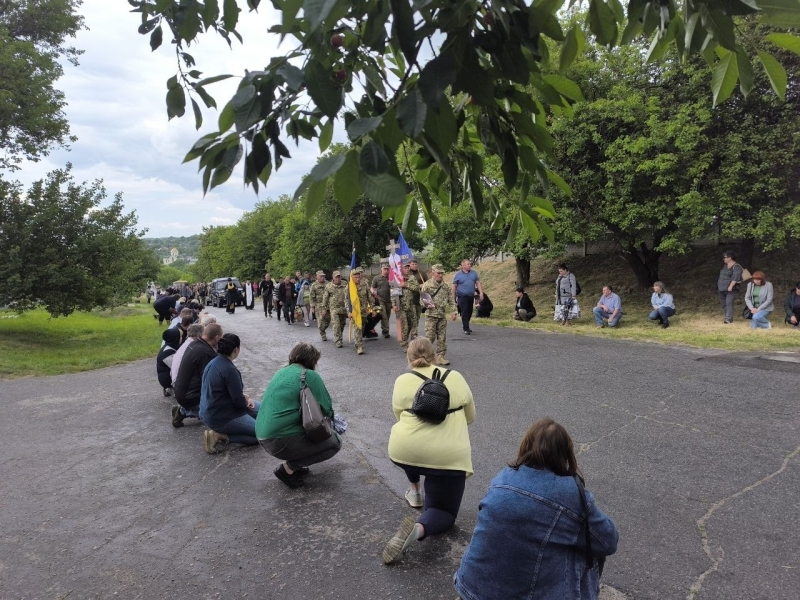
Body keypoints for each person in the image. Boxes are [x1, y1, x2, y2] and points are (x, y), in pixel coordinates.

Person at [453, 418, 618, 600]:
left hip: (471, 587)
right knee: (585, 545)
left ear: (526, 445)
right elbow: (608, 541)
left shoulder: (503, 477)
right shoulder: (571, 493)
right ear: (565, 453)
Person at [382, 338, 476, 565]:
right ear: (435, 356)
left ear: (408, 358)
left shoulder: (402, 380)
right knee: (443, 512)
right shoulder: (456, 377)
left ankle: (415, 490)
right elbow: (470, 417)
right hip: (448, 457)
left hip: (405, 450)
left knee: (414, 450)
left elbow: (398, 415)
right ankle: (417, 529)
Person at [255, 343, 342, 489]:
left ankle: (296, 464)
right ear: (312, 360)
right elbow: (327, 408)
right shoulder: (309, 375)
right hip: (279, 440)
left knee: (301, 428)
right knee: (335, 443)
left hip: (262, 436)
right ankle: (288, 469)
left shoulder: (280, 372)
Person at [199, 334, 261, 454]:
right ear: (236, 349)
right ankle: (220, 436)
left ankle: (242, 427)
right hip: (222, 416)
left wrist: (243, 397)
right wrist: (245, 401)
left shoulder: (213, 362)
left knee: (261, 409)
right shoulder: (230, 370)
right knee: (262, 434)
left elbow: (222, 390)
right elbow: (239, 403)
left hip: (210, 410)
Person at [172, 323, 222, 428]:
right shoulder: (206, 352)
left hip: (181, 391)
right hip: (190, 396)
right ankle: (184, 411)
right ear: (216, 337)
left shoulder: (195, 344)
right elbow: (210, 380)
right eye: (220, 338)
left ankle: (184, 410)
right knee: (220, 410)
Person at [420, 264, 457, 366]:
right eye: (438, 273)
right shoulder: (427, 285)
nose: (440, 275)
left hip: (441, 315)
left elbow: (451, 300)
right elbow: (421, 300)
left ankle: (440, 356)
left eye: (442, 273)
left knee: (442, 337)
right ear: (433, 273)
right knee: (430, 337)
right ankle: (425, 356)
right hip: (431, 315)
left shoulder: (445, 286)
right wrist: (427, 303)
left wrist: (454, 312)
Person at [452, 259, 483, 335]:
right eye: (468, 264)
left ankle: (466, 324)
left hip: (470, 296)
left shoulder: (474, 273)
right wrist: (453, 298)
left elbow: (478, 283)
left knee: (469, 311)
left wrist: (481, 293)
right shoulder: (458, 275)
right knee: (465, 311)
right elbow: (454, 287)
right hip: (462, 296)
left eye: (470, 264)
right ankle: (466, 328)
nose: (469, 265)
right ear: (463, 265)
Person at [347, 266, 373, 355]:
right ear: (352, 277)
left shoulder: (364, 285)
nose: (358, 279)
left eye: (358, 277)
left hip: (364, 310)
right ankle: (359, 346)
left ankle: (357, 341)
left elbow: (370, 297)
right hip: (355, 311)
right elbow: (347, 300)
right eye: (355, 277)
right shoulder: (349, 287)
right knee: (357, 328)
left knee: (362, 327)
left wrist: (372, 308)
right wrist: (348, 311)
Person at [170, 323, 203, 387]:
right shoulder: (194, 346)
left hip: (176, 380)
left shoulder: (187, 343)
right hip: (181, 383)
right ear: (199, 335)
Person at [322, 271, 349, 348]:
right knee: (336, 325)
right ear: (333, 277)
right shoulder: (329, 286)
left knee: (342, 325)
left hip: (343, 308)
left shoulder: (345, 284)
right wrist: (324, 309)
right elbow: (325, 298)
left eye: (339, 277)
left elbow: (349, 295)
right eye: (336, 277)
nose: (338, 278)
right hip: (334, 309)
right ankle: (338, 340)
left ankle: (339, 336)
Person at [396, 263, 419, 351]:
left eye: (408, 268)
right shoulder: (398, 278)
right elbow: (394, 292)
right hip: (401, 306)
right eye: (405, 268)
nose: (407, 269)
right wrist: (394, 304)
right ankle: (404, 344)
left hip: (411, 304)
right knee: (404, 326)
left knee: (413, 324)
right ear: (401, 269)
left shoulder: (412, 277)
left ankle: (414, 343)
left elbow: (417, 288)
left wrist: (406, 285)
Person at [718, 250, 744, 324]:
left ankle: (728, 319)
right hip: (721, 288)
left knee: (729, 303)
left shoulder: (736, 266)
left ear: (730, 258)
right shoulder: (725, 266)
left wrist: (731, 286)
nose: (723, 259)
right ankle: (727, 316)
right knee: (724, 304)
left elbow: (736, 277)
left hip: (731, 289)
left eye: (725, 257)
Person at [156, 328, 181, 397]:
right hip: (167, 379)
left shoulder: (171, 347)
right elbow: (177, 367)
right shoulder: (167, 352)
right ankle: (170, 389)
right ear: (175, 338)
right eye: (180, 336)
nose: (182, 338)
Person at [370, 263, 393, 339]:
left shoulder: (391, 278)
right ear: (381, 270)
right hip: (380, 300)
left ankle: (384, 329)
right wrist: (374, 293)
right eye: (384, 269)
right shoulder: (377, 278)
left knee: (388, 315)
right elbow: (372, 287)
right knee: (384, 316)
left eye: (387, 269)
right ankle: (386, 331)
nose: (386, 271)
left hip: (389, 300)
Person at [309, 271, 330, 341]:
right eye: (321, 276)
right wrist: (312, 307)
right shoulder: (314, 285)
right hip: (318, 305)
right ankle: (322, 333)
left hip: (327, 305)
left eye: (323, 276)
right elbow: (311, 297)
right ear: (317, 277)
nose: (322, 277)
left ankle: (323, 329)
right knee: (320, 321)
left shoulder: (328, 284)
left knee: (328, 320)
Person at [409, 259, 427, 323]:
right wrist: (418, 286)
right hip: (410, 299)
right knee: (411, 319)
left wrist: (424, 285)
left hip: (419, 299)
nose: (414, 265)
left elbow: (427, 283)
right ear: (409, 265)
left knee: (417, 318)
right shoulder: (407, 273)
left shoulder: (421, 273)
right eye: (412, 264)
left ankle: (415, 329)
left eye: (415, 264)